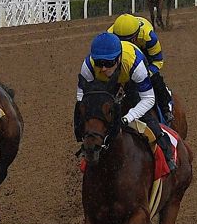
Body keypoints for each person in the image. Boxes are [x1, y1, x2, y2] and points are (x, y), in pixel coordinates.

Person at [74, 32, 175, 172]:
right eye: (99, 63)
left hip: (131, 81)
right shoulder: (88, 66)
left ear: (119, 58)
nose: (103, 68)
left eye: (108, 63)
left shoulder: (136, 65)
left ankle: (166, 151)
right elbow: (81, 96)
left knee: (145, 117)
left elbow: (149, 99)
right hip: (106, 86)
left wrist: (128, 118)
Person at [108, 13, 171, 123]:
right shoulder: (109, 36)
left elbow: (157, 61)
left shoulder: (149, 36)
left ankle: (166, 110)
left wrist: (146, 74)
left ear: (136, 36)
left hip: (144, 54)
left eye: (128, 41)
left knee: (156, 80)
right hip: (122, 57)